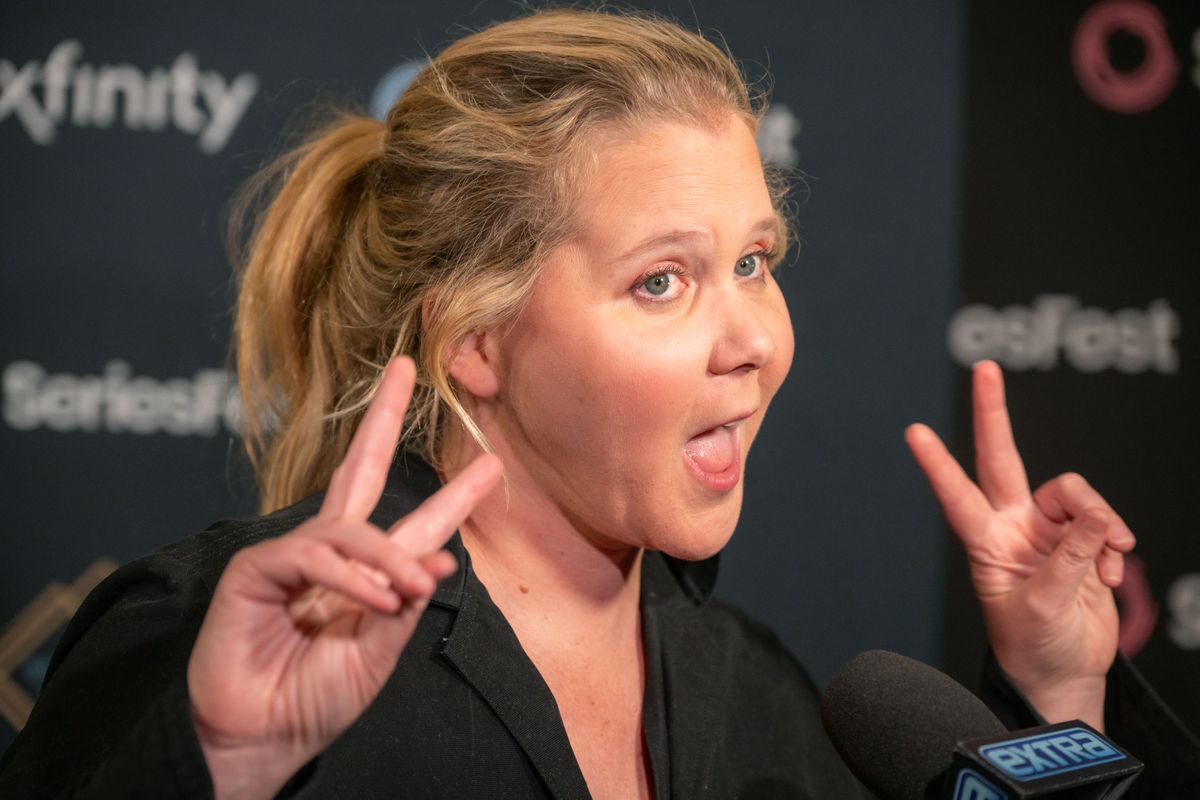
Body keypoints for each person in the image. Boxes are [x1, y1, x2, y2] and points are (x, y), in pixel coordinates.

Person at [1, 7, 1197, 799]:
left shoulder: (769, 698)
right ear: (476, 340)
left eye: (756, 261)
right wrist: (217, 762)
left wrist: (1057, 695)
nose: (754, 343)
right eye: (662, 279)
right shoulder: (225, 642)